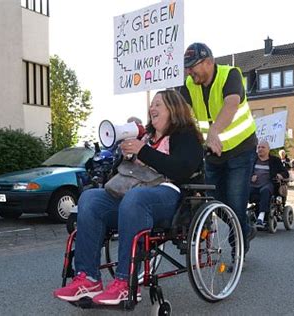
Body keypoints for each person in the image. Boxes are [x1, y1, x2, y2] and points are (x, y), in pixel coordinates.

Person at [53, 90, 204, 305]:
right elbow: (121, 174)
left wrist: (143, 152)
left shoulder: (185, 136)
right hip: (133, 194)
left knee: (136, 198)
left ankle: (124, 283)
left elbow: (182, 169)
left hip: (168, 194)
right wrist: (124, 157)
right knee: (90, 199)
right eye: (152, 104)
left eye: (158, 104)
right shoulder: (145, 137)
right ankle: (88, 279)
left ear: (173, 109)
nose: (152, 108)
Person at [179, 42, 258, 253]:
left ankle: (238, 249)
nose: (189, 71)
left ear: (208, 62)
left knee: (235, 200)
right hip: (213, 153)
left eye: (192, 66)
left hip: (241, 150)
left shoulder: (230, 74)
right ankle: (244, 229)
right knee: (213, 200)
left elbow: (231, 103)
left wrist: (214, 131)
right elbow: (184, 115)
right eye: (186, 67)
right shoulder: (188, 84)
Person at [250, 141, 289, 227]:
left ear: (268, 149)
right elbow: (245, 172)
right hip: (253, 185)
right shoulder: (253, 160)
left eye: (263, 147)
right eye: (259, 147)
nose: (260, 149)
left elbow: (286, 173)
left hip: (268, 185)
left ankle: (261, 217)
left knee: (265, 190)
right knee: (244, 191)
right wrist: (251, 176)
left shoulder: (275, 160)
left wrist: (280, 175)